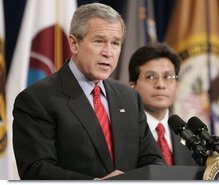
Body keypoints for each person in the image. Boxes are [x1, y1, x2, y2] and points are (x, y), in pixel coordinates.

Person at [12, 3, 165, 180]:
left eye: (115, 43)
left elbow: (152, 160)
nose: (108, 52)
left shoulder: (129, 98)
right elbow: (36, 170)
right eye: (99, 41)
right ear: (74, 43)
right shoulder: (37, 99)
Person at [128, 43, 196, 166]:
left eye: (168, 77)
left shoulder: (189, 137)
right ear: (132, 87)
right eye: (150, 77)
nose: (160, 84)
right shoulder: (123, 134)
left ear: (177, 85)